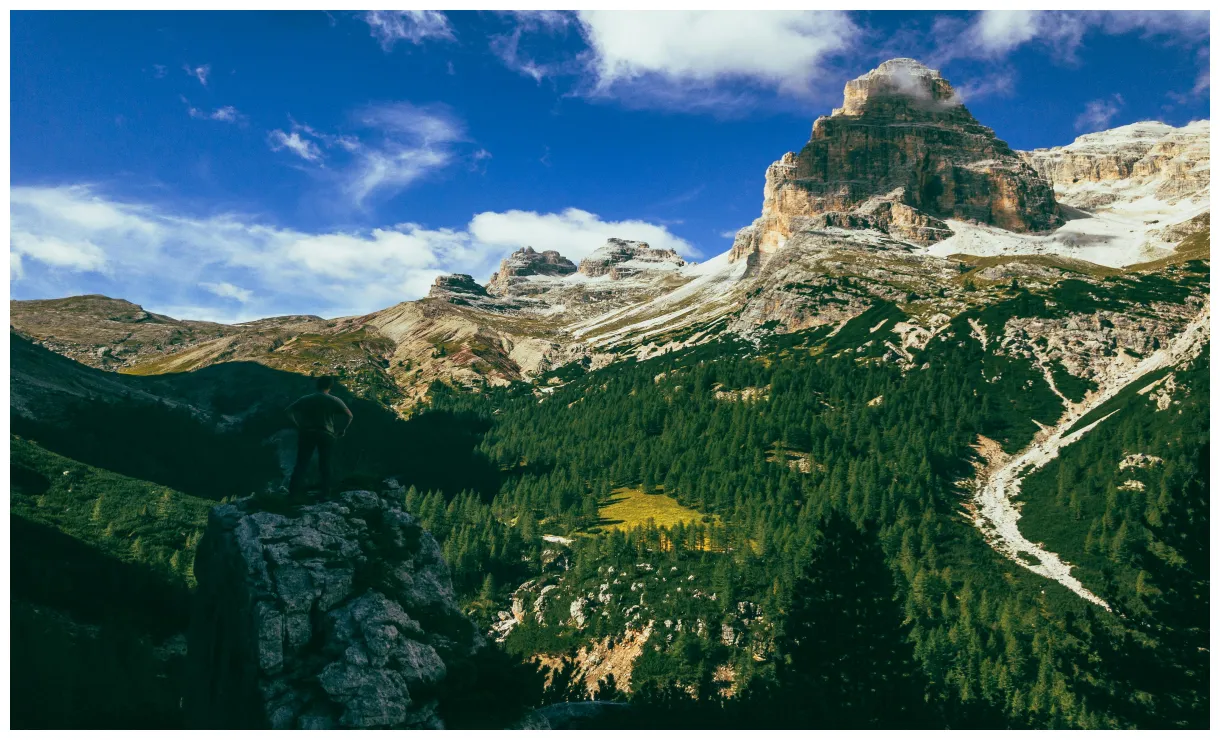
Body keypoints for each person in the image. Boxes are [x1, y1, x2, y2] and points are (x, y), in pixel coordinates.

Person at [286, 376, 353, 499]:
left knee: (301, 463)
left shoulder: (306, 399)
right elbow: (349, 415)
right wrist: (342, 430)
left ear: (317, 385)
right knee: (325, 463)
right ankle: (325, 493)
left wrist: (298, 425)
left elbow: (289, 411)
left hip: (307, 433)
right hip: (326, 434)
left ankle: (293, 493)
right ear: (330, 386)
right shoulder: (334, 400)